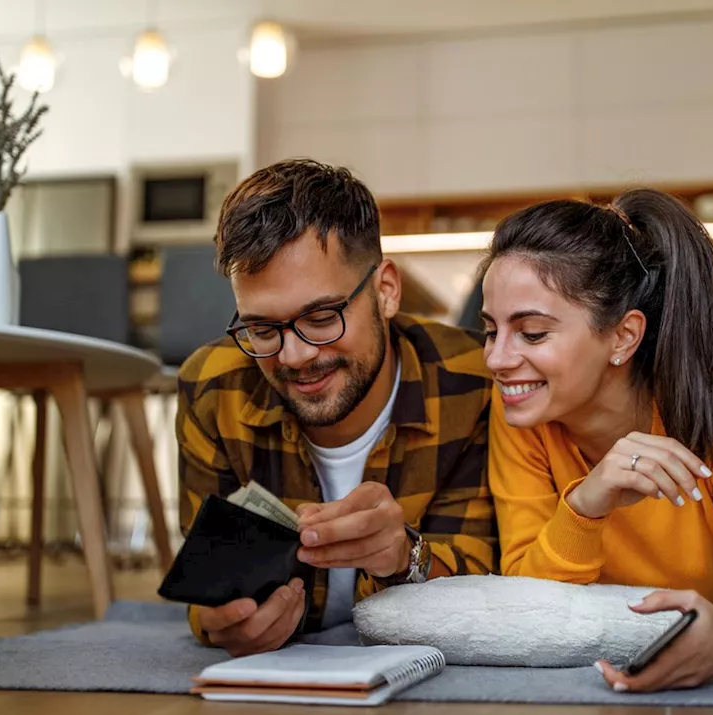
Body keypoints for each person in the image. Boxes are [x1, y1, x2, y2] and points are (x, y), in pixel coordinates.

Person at [479, 188, 713, 691]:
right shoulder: (522, 410)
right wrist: (587, 502)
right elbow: (528, 603)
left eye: (531, 334)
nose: (496, 359)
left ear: (622, 337)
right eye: (490, 331)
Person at [176, 158, 497, 657]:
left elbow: (491, 576)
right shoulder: (213, 388)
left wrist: (403, 555)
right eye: (262, 329)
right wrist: (218, 619)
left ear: (385, 290)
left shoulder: (474, 382)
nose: (294, 356)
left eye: (322, 317)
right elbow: (204, 578)